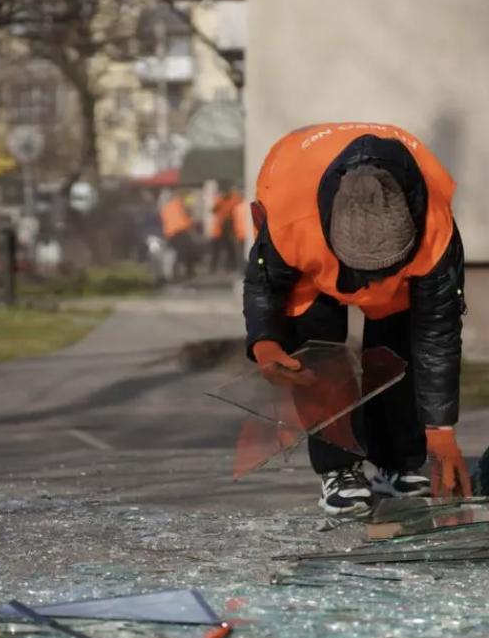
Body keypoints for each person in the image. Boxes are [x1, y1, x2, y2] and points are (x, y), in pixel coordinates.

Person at [243, 122, 472, 515]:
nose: (368, 286)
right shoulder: (291, 218)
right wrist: (265, 340)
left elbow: (438, 335)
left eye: (380, 271)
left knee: (397, 349)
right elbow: (265, 283)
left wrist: (441, 430)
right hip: (311, 259)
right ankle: (340, 468)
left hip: (388, 256)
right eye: (364, 273)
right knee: (320, 355)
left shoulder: (435, 230)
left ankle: (397, 461)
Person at [158, 191, 199, 280]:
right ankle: (187, 270)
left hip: (171, 233)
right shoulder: (178, 203)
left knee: (175, 253)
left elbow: (163, 222)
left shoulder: (164, 209)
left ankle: (176, 272)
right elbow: (189, 210)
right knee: (189, 251)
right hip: (181, 230)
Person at [208, 182, 245, 273]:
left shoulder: (235, 197)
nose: (224, 193)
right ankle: (213, 268)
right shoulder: (219, 199)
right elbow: (213, 210)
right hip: (221, 227)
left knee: (231, 247)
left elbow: (240, 207)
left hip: (230, 226)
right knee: (216, 248)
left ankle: (231, 267)